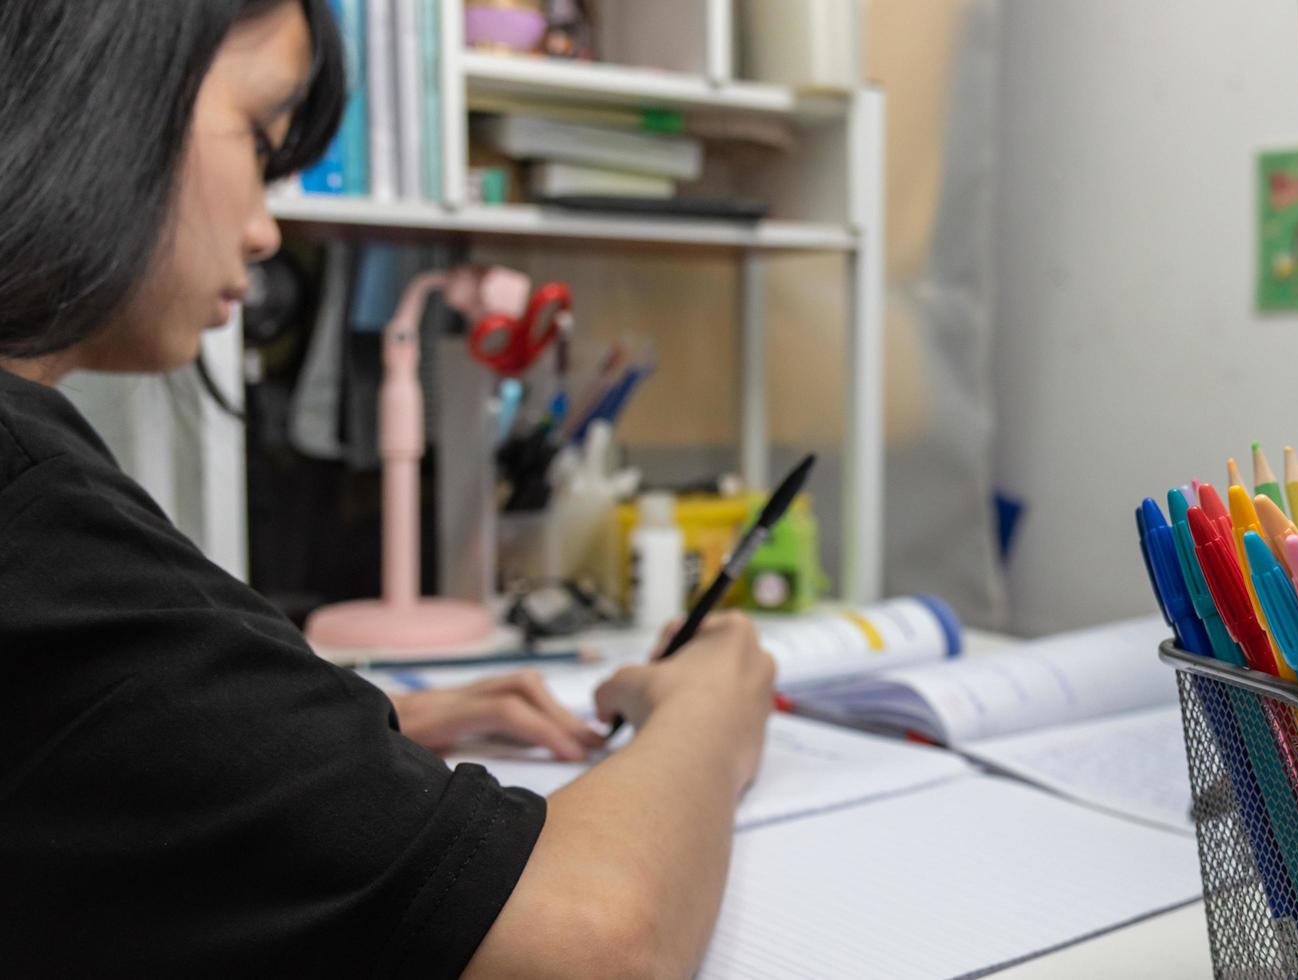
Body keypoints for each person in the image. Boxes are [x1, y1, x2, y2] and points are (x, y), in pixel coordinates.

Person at [0, 2, 775, 977]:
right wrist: (709, 709)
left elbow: (70, 749)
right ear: (104, 87)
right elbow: (593, 938)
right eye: (260, 139)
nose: (265, 232)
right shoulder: (28, 503)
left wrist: (330, 728)